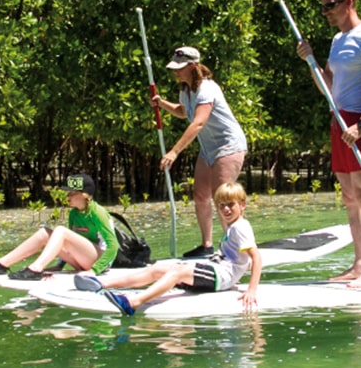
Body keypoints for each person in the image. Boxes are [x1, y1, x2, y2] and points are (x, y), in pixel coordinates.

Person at [295, 0, 361, 288]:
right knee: (351, 198)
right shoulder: (339, 40)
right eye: (322, 6)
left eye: (330, 5)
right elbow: (327, 84)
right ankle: (360, 264)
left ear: (348, 2)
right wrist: (310, 61)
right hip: (338, 120)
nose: (325, 11)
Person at [75, 181, 262, 315]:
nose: (226, 209)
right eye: (222, 206)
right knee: (157, 269)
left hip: (220, 277)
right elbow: (242, 259)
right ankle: (102, 284)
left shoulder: (240, 227)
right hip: (217, 270)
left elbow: (256, 258)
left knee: (176, 273)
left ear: (242, 205)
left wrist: (251, 289)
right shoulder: (233, 226)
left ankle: (134, 302)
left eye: (230, 205)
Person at [152, 45, 248, 258]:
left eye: (180, 67)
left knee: (222, 197)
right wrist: (161, 103)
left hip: (228, 146)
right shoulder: (186, 89)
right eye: (174, 67)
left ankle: (233, 248)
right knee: (200, 194)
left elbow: (198, 122)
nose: (176, 71)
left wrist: (174, 152)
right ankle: (207, 245)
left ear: (193, 66)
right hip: (208, 149)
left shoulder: (207, 88)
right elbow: (183, 111)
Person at [0, 174, 120, 281]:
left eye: (71, 192)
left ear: (85, 195)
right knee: (45, 233)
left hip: (100, 263)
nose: (67, 196)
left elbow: (113, 246)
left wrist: (94, 271)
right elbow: (68, 244)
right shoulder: (74, 214)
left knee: (61, 231)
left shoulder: (98, 212)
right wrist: (59, 266)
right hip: (82, 260)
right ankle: (1, 264)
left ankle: (35, 269)